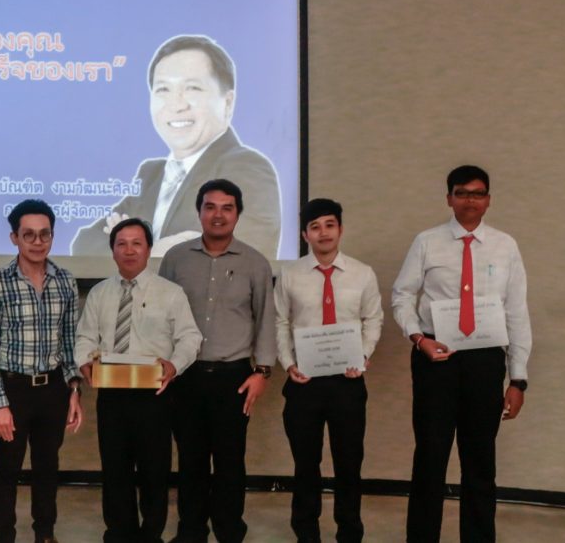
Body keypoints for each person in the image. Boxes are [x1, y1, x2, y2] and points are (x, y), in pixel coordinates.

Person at [392, 165, 531, 543]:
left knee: (480, 462)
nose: (471, 200)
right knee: (430, 458)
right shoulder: (427, 242)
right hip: (436, 357)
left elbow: (517, 313)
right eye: (462, 192)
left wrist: (518, 379)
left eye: (478, 193)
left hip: (485, 362)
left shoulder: (505, 246)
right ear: (449, 198)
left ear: (488, 200)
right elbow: (402, 295)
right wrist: (418, 338)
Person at [71, 34, 281, 259]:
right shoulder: (151, 174)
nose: (176, 105)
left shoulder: (248, 167)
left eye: (192, 88)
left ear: (227, 103)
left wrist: (127, 245)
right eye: (163, 89)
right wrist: (152, 250)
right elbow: (84, 243)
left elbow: (241, 255)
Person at [159, 179, 277, 543]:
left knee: (230, 462)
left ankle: (229, 532)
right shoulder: (176, 258)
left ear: (238, 214)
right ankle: (191, 532)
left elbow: (266, 320)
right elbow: (159, 317)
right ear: (199, 212)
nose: (218, 215)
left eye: (227, 208)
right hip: (186, 376)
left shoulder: (255, 263)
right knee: (190, 461)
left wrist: (262, 372)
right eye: (210, 207)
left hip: (234, 378)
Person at [75, 218, 202, 543]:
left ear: (148, 249)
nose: (129, 250)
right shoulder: (100, 293)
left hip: (154, 396)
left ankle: (151, 535)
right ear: (113, 251)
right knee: (115, 471)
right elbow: (85, 337)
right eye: (121, 244)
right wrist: (85, 363)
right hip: (112, 395)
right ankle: (119, 533)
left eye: (137, 243)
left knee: (154, 472)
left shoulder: (170, 293)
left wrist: (174, 365)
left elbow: (190, 338)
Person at [274, 198, 384, 543]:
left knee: (349, 465)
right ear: (305, 235)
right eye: (315, 227)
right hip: (304, 383)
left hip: (347, 383)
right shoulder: (290, 275)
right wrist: (289, 364)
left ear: (340, 229)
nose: (323, 233)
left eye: (330, 225)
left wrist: (363, 355)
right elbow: (280, 322)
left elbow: (373, 319)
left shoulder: (363, 274)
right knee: (306, 465)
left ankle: (349, 533)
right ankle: (306, 533)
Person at [0, 199, 83, 543]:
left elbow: (70, 342)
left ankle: (45, 534)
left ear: (52, 236)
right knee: (7, 467)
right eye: (29, 235)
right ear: (14, 238)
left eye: (44, 234)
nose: (38, 242)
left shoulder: (65, 281)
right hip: (14, 390)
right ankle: (3, 536)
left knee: (47, 467)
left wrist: (74, 389)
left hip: (53, 389)